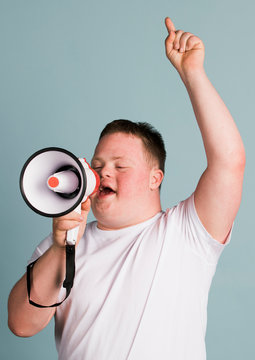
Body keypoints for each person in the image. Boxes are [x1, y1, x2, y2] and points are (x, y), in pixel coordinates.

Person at [8, 17, 245, 360]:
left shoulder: (186, 232)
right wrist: (61, 247)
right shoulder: (61, 244)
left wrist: (192, 73)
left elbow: (229, 161)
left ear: (155, 178)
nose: (105, 174)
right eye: (98, 166)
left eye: (121, 166)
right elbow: (21, 325)